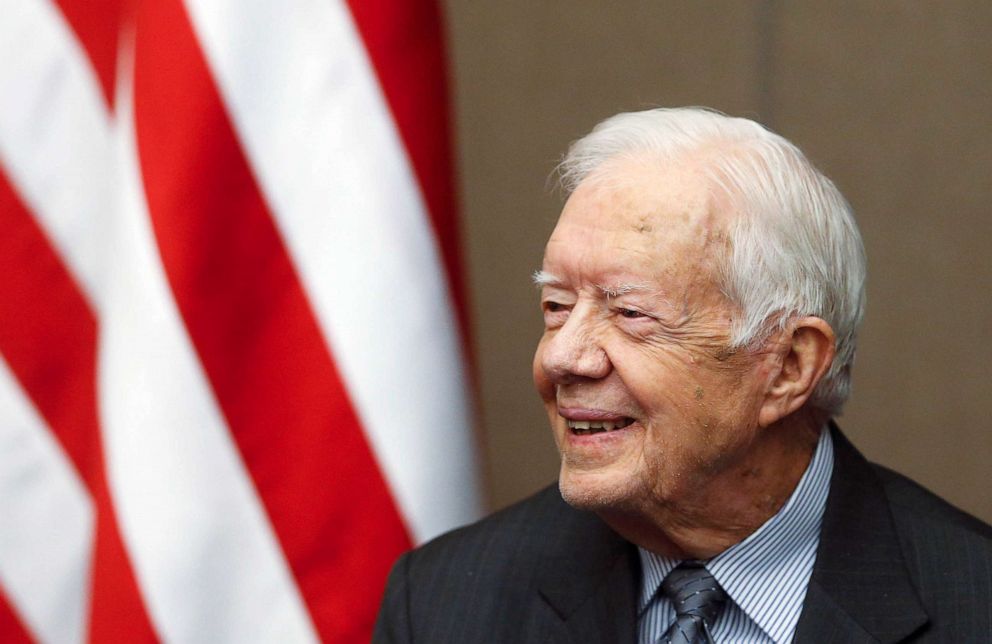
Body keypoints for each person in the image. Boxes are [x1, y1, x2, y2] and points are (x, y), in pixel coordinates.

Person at [373, 108, 992, 643]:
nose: (563, 357)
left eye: (630, 313)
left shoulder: (972, 606)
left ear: (788, 367)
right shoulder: (444, 604)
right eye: (556, 307)